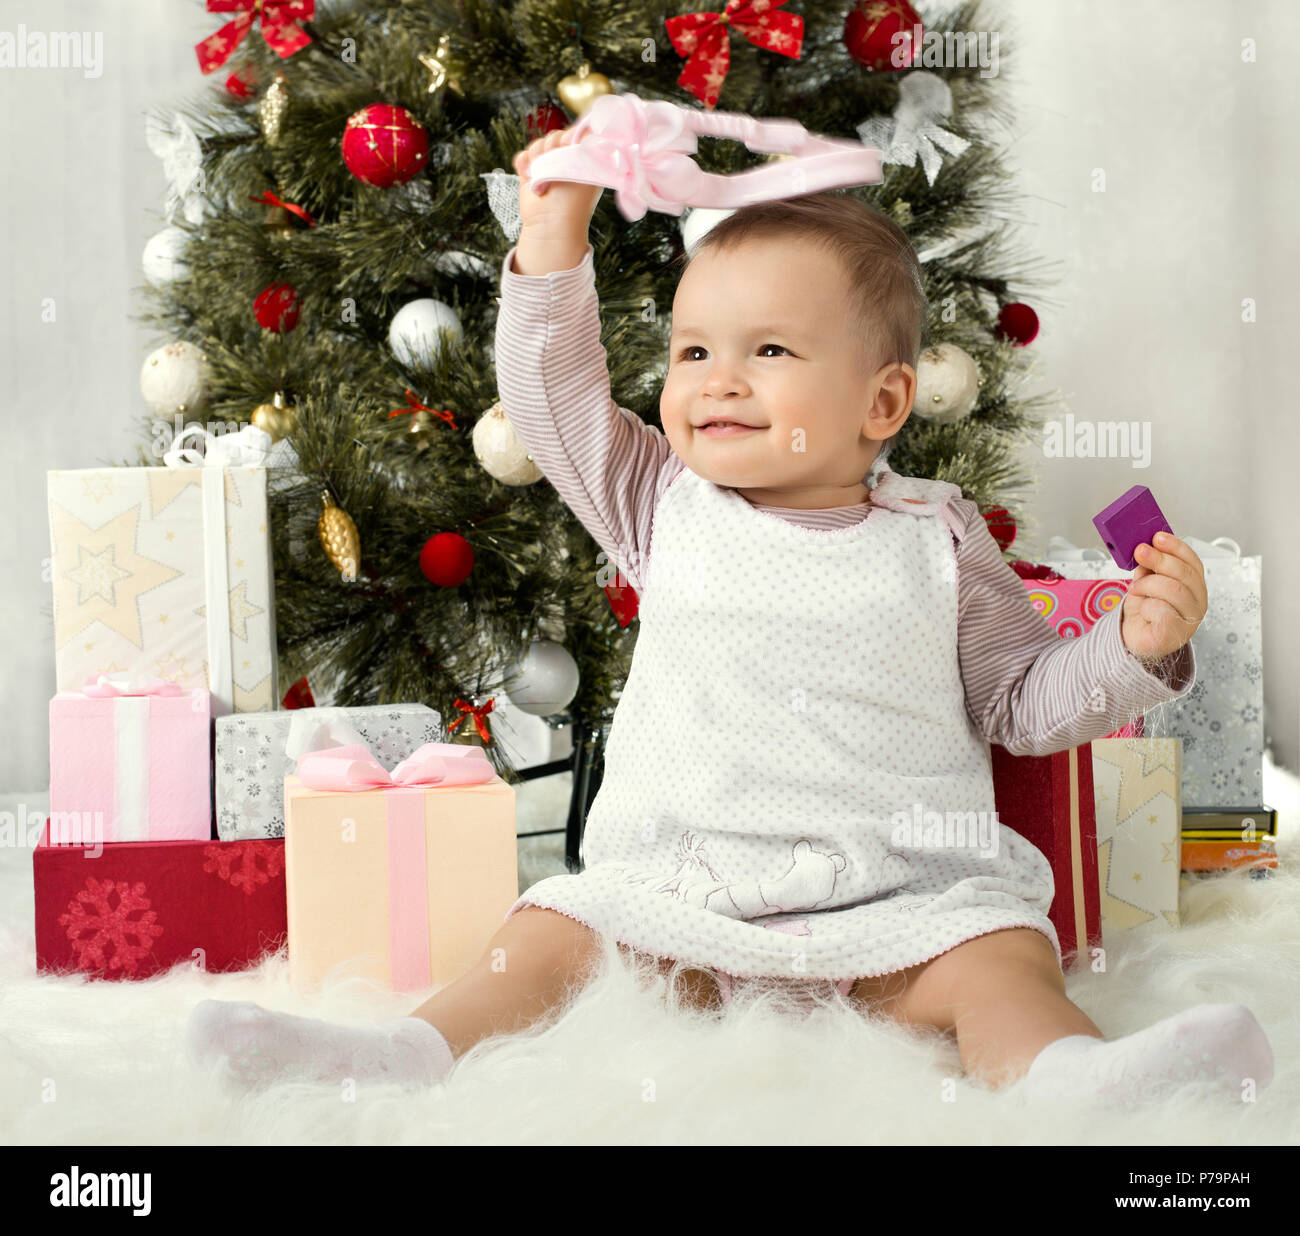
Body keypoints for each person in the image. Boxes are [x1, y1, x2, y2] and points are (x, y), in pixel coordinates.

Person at [187, 124, 1272, 1110]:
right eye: (694, 351)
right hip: (679, 900)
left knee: (1001, 960)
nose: (718, 382)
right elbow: (554, 405)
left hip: (900, 904)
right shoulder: (662, 502)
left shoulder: (936, 536)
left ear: (884, 402)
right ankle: (401, 1055)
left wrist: (1131, 648)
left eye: (770, 352)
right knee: (547, 932)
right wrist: (553, 238)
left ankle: (1068, 1076)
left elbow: (1021, 701)